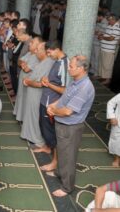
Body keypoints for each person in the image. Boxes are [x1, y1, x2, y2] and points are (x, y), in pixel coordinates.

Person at [47, 55, 95, 197]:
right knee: (62, 151)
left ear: (81, 69)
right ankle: (59, 173)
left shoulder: (84, 87)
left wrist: (53, 111)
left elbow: (68, 111)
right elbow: (64, 99)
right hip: (63, 124)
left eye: (71, 67)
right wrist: (53, 106)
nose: (68, 69)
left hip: (70, 127)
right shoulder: (76, 81)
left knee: (68, 157)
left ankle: (67, 187)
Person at [37, 41, 68, 171]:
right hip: (47, 99)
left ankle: (54, 162)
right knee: (45, 128)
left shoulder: (64, 64)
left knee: (52, 133)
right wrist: (47, 80)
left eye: (49, 52)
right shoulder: (57, 61)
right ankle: (47, 147)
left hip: (52, 103)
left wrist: (48, 84)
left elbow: (64, 90)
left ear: (56, 49)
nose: (48, 55)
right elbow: (54, 80)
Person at [20, 38, 54, 149]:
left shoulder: (48, 63)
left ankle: (38, 139)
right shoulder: (42, 62)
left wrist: (28, 81)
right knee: (31, 114)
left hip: (38, 94)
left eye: (38, 50)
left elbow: (41, 83)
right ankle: (30, 135)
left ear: (45, 51)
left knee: (35, 116)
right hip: (32, 93)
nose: (36, 51)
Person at [107, 93, 120, 167]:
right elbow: (110, 103)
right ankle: (117, 159)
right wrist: (112, 117)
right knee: (117, 142)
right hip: (118, 122)